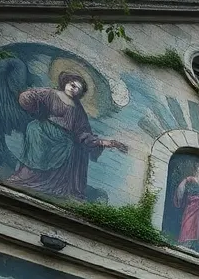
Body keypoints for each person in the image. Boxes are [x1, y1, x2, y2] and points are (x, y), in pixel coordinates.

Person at [7, 71, 127, 199]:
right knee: (34, 129)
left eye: (78, 89)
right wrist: (29, 102)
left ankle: (53, 185)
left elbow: (83, 133)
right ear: (66, 83)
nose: (74, 89)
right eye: (72, 85)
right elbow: (30, 98)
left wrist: (106, 142)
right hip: (42, 131)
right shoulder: (51, 93)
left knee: (74, 148)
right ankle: (27, 176)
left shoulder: (78, 109)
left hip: (63, 140)